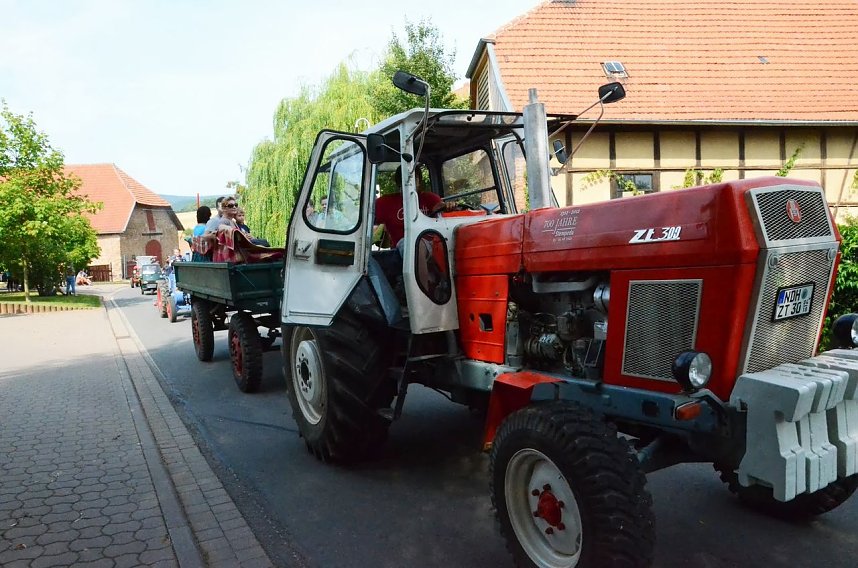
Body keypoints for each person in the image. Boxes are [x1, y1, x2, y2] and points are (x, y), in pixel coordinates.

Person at [374, 167, 450, 253]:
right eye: (405, 178)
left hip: (431, 245)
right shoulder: (386, 203)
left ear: (419, 181)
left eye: (414, 178)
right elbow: (369, 222)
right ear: (398, 181)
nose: (410, 181)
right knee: (413, 245)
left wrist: (448, 208)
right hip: (403, 248)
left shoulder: (430, 199)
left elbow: (442, 216)